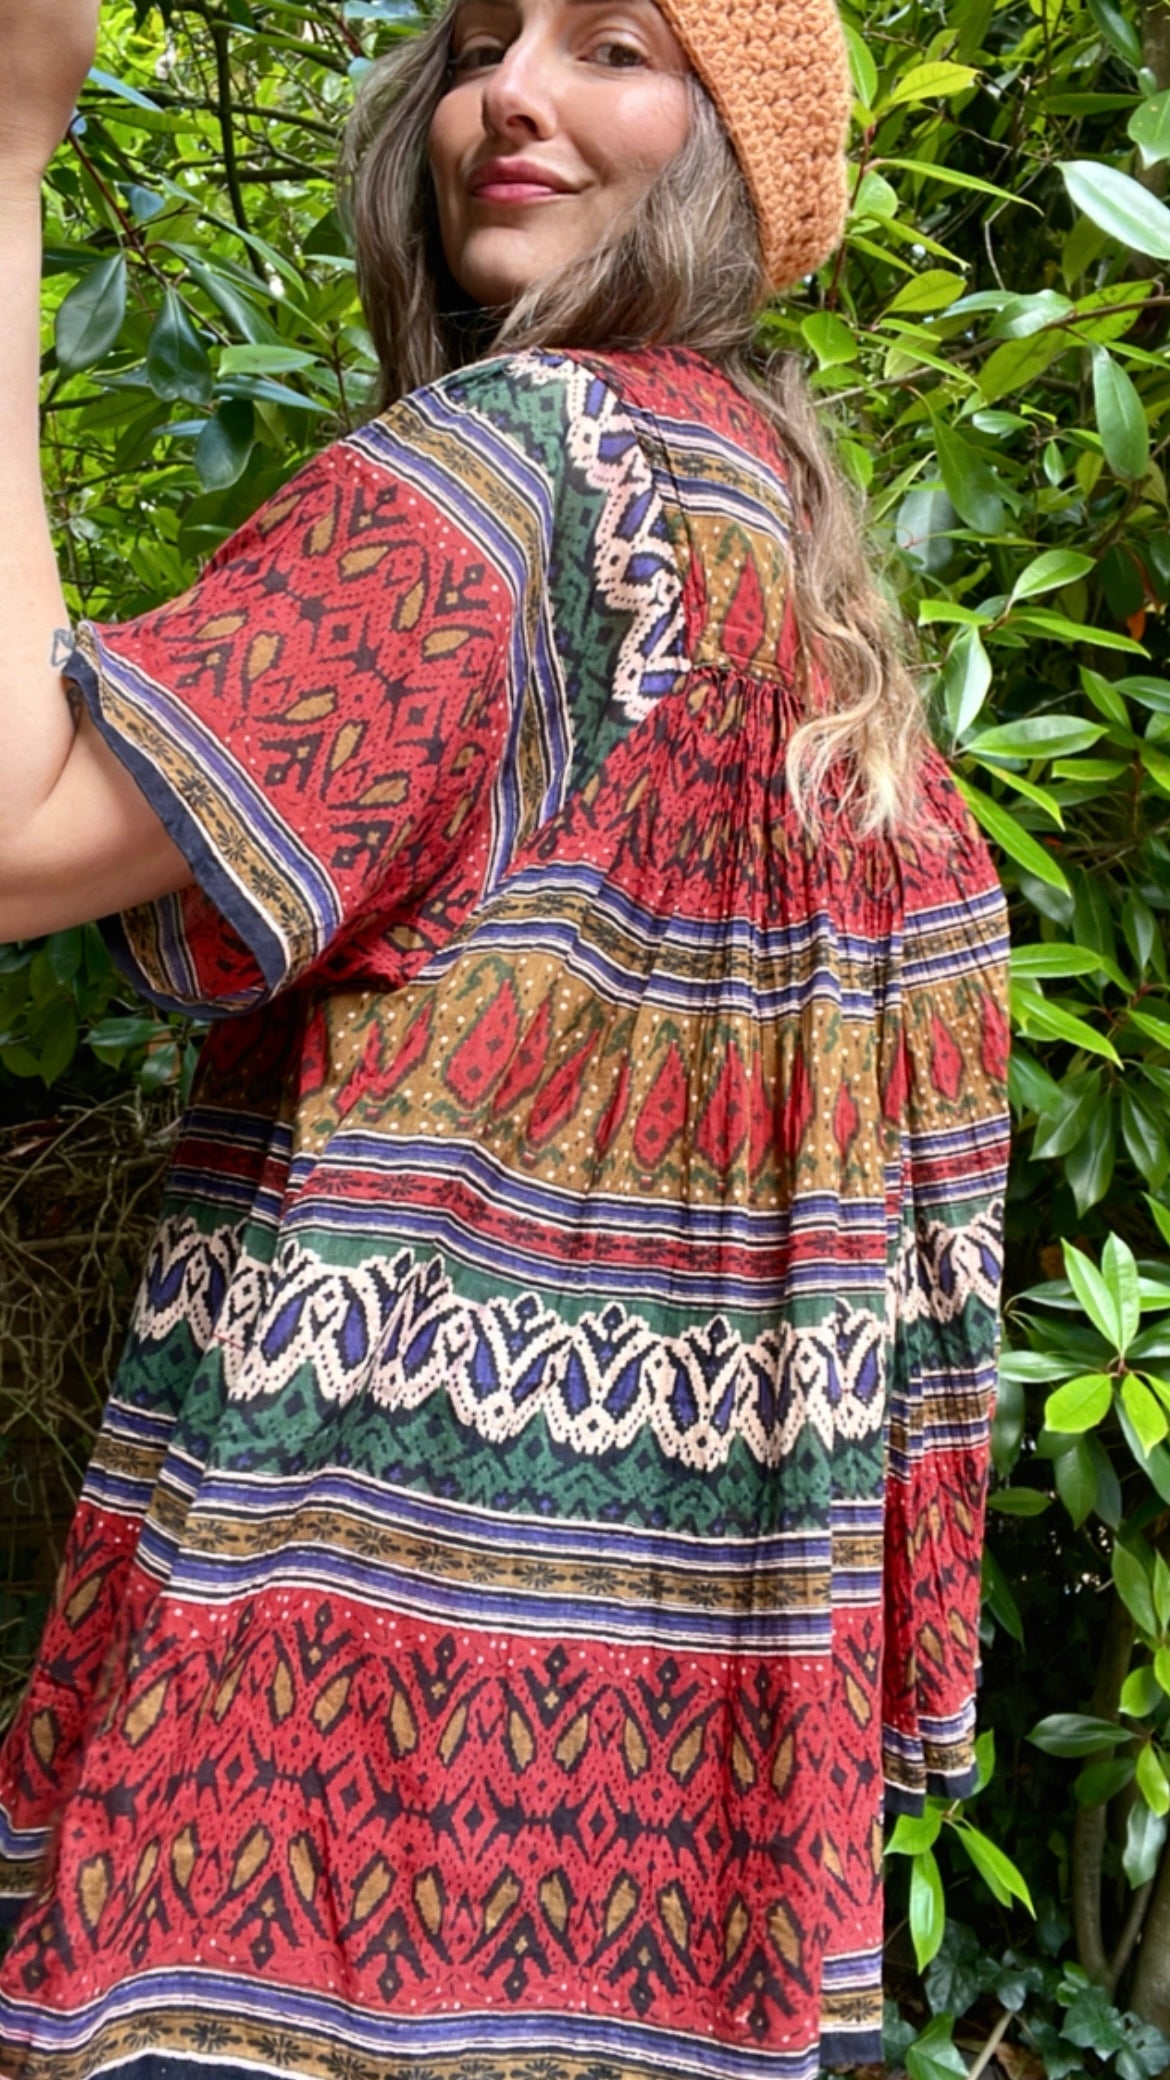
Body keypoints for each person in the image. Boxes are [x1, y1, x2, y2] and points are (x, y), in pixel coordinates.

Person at [0, 0, 1012, 2071]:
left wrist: (8, 150)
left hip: (306, 1791)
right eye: (478, 40)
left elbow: (15, 834)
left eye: (611, 44)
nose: (509, 95)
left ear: (735, 151)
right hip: (696, 1856)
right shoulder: (806, 594)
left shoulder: (528, 476)